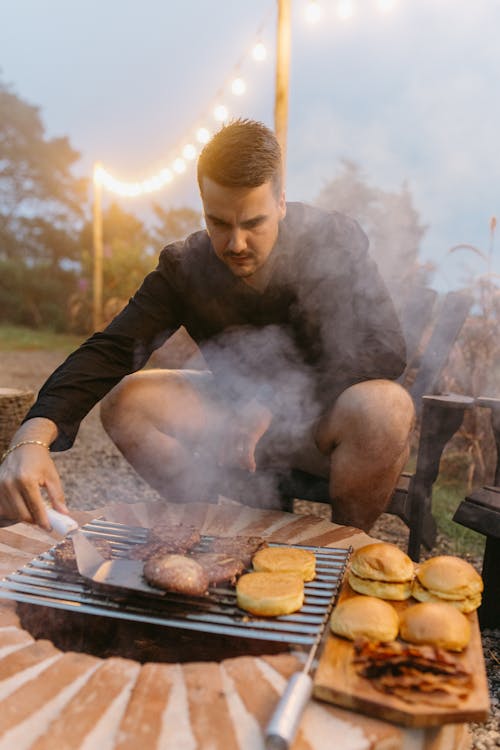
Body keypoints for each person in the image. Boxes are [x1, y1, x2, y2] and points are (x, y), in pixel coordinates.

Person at [0, 119, 414, 532]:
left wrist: (269, 403)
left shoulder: (331, 240)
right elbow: (110, 349)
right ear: (203, 209)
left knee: (387, 407)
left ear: (282, 203)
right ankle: (205, 535)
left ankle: (346, 552)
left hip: (320, 422)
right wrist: (33, 437)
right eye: (219, 223)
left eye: (253, 223)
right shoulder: (184, 267)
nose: (236, 243)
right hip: (228, 415)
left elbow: (385, 346)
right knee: (127, 402)